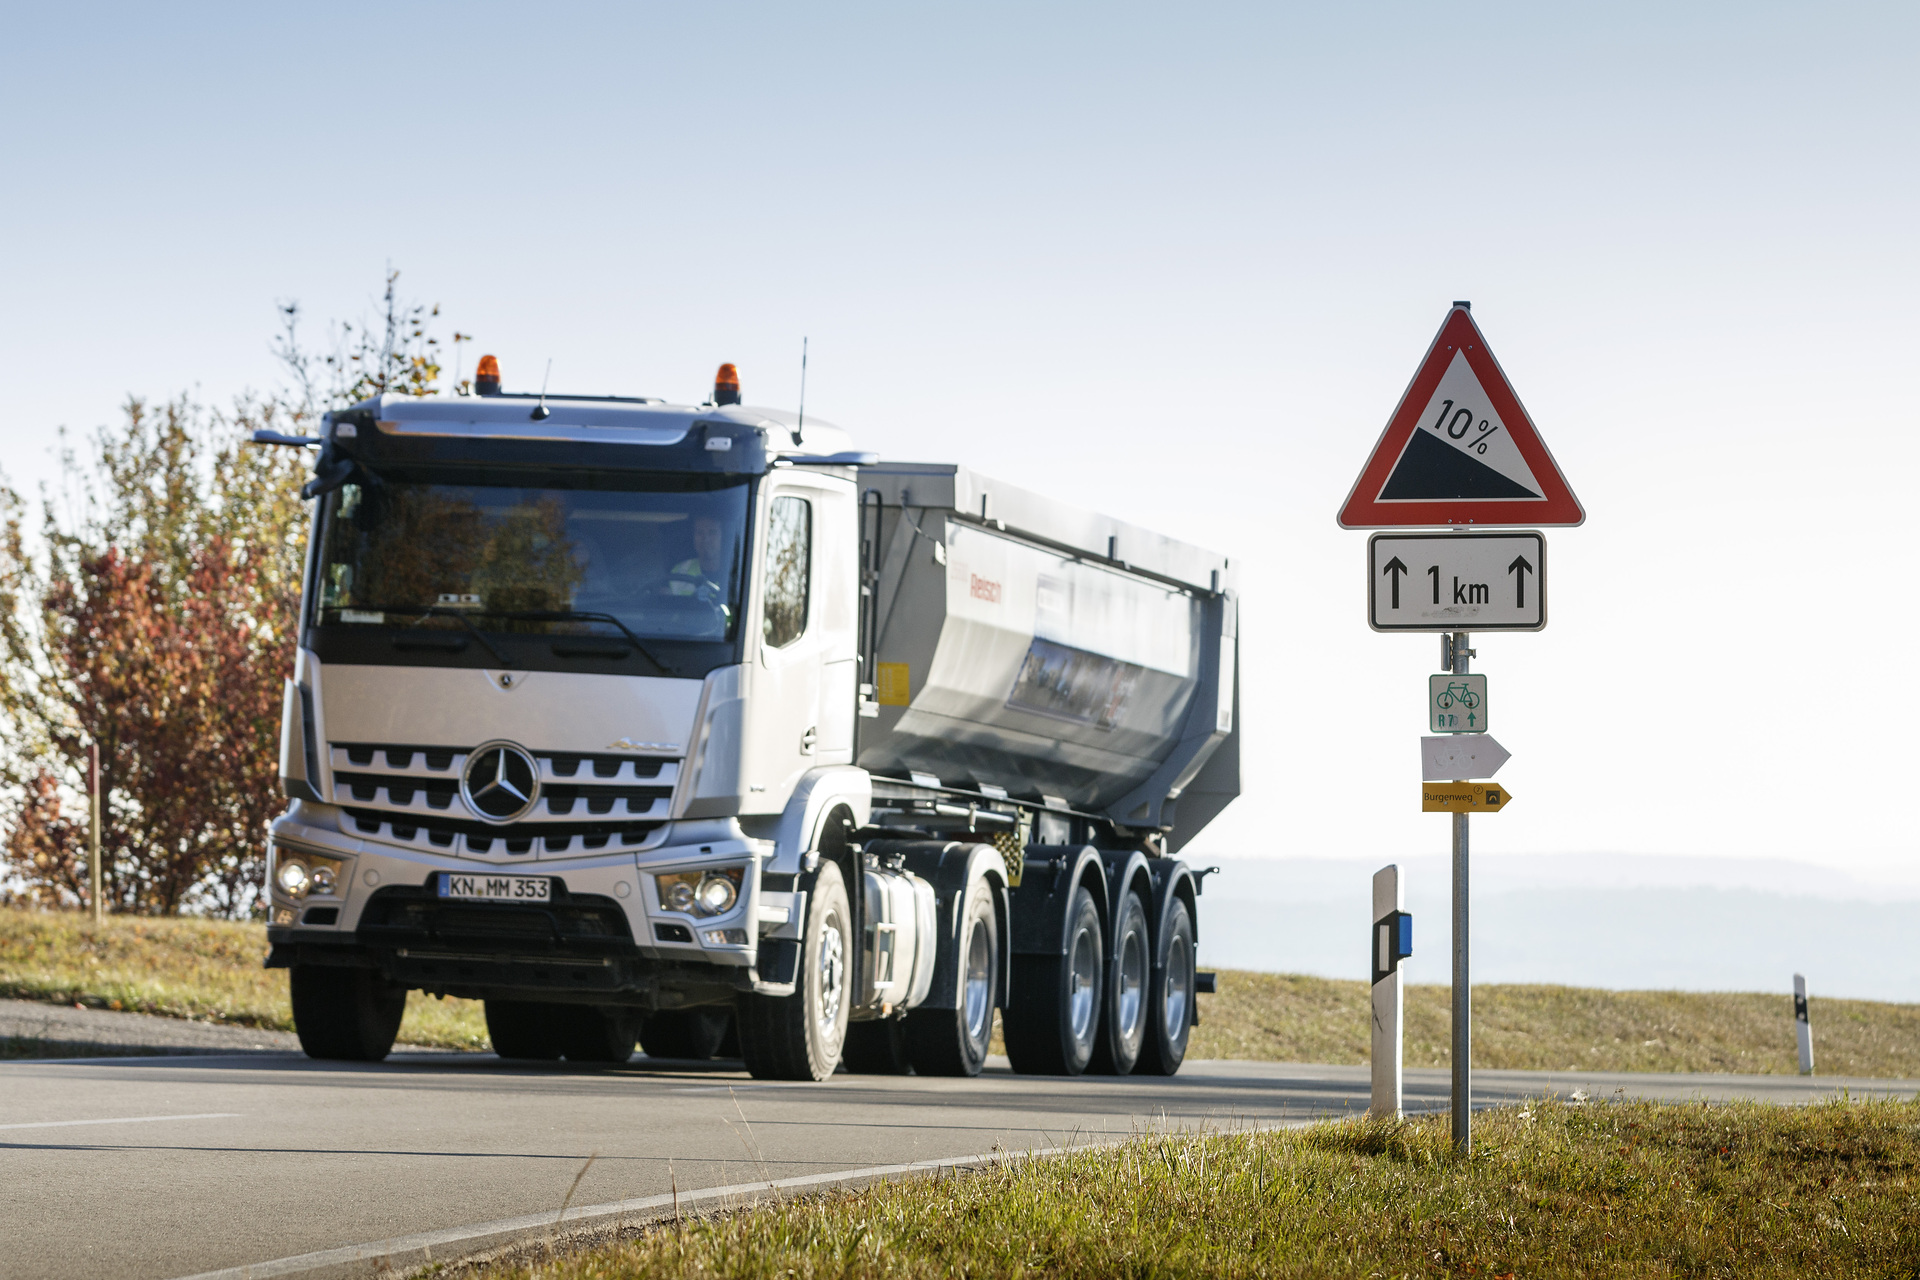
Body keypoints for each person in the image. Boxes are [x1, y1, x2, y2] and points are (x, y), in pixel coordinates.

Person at [669, 515, 734, 623]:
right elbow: (666, 616)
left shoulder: (736, 575)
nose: (706, 539)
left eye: (712, 532)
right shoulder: (679, 571)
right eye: (700, 533)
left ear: (723, 537)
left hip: (720, 637)